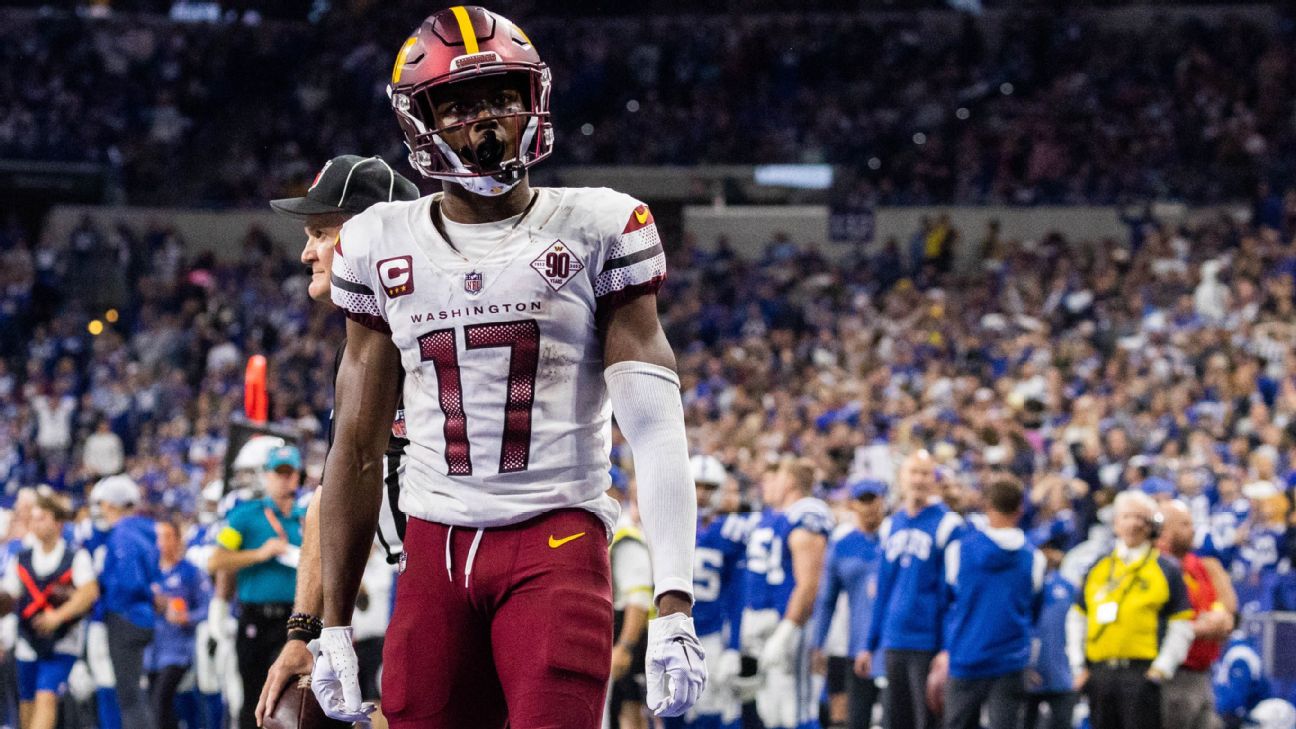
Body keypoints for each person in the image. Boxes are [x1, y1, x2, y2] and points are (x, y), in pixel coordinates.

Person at [313, 7, 705, 727]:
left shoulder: (600, 225)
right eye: (458, 104)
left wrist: (674, 597)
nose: (486, 119)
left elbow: (655, 430)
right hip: (432, 548)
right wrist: (331, 621)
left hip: (554, 540)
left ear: (534, 99)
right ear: (418, 120)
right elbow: (357, 447)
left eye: (502, 95)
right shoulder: (376, 241)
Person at [253, 153, 421, 727]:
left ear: (372, 236)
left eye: (321, 233)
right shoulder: (361, 348)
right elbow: (332, 496)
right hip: (421, 584)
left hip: (477, 576)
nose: (306, 253)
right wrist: (306, 631)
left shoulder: (437, 339)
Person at [1066, 490, 1194, 729]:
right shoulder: (1098, 567)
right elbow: (1077, 617)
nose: (1133, 523)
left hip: (1141, 673)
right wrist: (1078, 667)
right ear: (1115, 523)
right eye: (1126, 516)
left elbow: (1181, 623)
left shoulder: (1166, 569)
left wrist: (1161, 669)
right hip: (1100, 673)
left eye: (1140, 517)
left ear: (1151, 526)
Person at [862, 450, 964, 729]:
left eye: (925, 473)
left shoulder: (948, 524)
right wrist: (869, 644)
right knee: (895, 719)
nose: (918, 480)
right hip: (893, 640)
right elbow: (882, 590)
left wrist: (946, 647)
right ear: (901, 477)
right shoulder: (890, 525)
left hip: (927, 642)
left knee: (928, 720)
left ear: (934, 479)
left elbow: (953, 594)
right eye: (913, 472)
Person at [209, 445, 305, 729]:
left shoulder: (306, 517)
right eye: (279, 473)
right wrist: (258, 554)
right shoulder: (243, 516)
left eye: (290, 473)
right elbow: (216, 560)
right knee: (253, 696)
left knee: (290, 696)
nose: (285, 479)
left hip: (294, 619)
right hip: (255, 618)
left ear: (298, 476)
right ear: (267, 476)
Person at [941, 478, 1046, 729]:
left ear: (987, 506)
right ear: (1020, 510)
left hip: (966, 656)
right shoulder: (1035, 558)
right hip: (1011, 660)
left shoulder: (958, 550)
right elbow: (1035, 608)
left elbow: (947, 601)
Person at [742, 457, 833, 729]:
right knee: (771, 711)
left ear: (790, 481)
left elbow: (809, 584)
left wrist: (787, 630)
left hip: (792, 621)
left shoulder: (806, 513)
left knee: (797, 710)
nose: (767, 484)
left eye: (776, 477)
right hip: (767, 619)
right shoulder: (774, 517)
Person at [663, 456, 753, 729]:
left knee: (714, 715)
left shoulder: (733, 531)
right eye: (697, 486)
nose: (701, 495)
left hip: (712, 638)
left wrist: (734, 646)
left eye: (709, 488)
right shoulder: (668, 525)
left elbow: (738, 594)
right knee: (672, 712)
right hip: (673, 634)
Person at [1, 494, 97, 729]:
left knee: (47, 697)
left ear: (58, 523)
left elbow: (89, 592)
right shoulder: (21, 558)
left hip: (62, 640)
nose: (36, 524)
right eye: (33, 519)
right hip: (28, 640)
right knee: (27, 704)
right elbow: (9, 596)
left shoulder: (76, 557)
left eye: (42, 518)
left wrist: (59, 615)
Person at [809, 478, 885, 729]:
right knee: (856, 720)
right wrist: (818, 643)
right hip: (857, 647)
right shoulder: (843, 545)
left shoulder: (895, 539)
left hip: (894, 645)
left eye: (875, 499)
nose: (870, 506)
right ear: (853, 505)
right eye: (864, 500)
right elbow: (827, 599)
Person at [1157, 499, 1237, 729]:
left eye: (1191, 523)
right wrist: (1200, 628)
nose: (1192, 530)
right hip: (1173, 673)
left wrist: (1221, 617)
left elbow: (1224, 606)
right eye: (1184, 524)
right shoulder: (1156, 565)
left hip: (1201, 673)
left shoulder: (1199, 565)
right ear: (1164, 530)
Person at [92, 474, 160, 729]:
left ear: (111, 504)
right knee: (135, 692)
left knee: (129, 695)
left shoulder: (122, 533)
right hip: (143, 615)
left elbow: (129, 581)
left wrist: (103, 587)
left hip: (126, 617)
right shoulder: (144, 529)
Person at [150, 520, 211, 729]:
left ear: (177, 540)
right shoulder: (147, 574)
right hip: (150, 651)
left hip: (178, 651)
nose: (162, 542)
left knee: (161, 699)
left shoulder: (190, 572)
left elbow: (206, 607)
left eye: (167, 536)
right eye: (158, 537)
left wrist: (188, 617)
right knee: (154, 704)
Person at [607, 492, 652, 729]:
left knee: (630, 710)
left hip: (629, 636)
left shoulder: (625, 537)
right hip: (622, 634)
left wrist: (624, 646)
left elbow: (638, 600)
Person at [1024, 536, 1078, 729]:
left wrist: (1080, 668)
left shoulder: (1070, 587)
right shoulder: (1024, 586)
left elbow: (1081, 627)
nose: (1049, 554)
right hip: (1028, 676)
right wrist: (1024, 665)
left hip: (1063, 676)